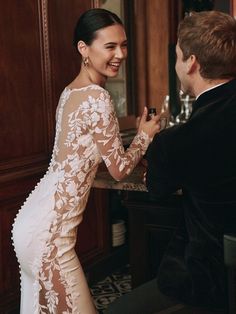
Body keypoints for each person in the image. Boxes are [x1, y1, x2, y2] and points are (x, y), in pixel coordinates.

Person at [11, 8, 160, 314]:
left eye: (124, 45)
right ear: (84, 49)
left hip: (32, 223)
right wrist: (145, 135)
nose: (120, 54)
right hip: (51, 236)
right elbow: (119, 171)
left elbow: (79, 157)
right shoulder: (98, 98)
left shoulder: (70, 92)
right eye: (110, 46)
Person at [105, 10, 236, 314]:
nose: (176, 65)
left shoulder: (178, 141)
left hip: (212, 278)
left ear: (191, 63)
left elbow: (157, 189)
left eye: (177, 56)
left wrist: (149, 143)